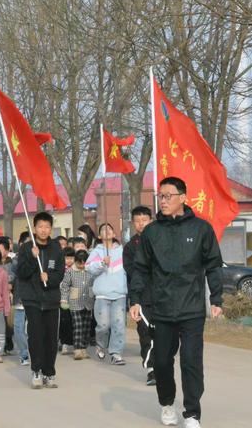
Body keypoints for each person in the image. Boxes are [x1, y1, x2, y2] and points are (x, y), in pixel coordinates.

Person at [130, 177, 223, 428]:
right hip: (161, 309)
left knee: (191, 361)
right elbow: (140, 268)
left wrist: (216, 298)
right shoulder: (152, 232)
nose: (163, 200)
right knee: (161, 361)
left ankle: (192, 413)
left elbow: (214, 265)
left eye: (168, 195)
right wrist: (135, 299)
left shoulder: (201, 229)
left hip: (191, 308)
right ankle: (167, 403)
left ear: (183, 197)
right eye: (160, 196)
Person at [17, 212, 65, 389]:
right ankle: (36, 370)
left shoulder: (56, 248)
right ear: (34, 228)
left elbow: (60, 273)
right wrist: (31, 256)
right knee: (36, 336)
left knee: (51, 338)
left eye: (47, 227)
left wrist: (49, 278)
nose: (43, 230)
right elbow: (21, 273)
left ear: (50, 228)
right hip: (33, 299)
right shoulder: (26, 248)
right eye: (40, 227)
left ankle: (49, 372)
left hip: (51, 299)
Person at [86, 223, 127, 366]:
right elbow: (89, 269)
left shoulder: (122, 251)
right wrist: (102, 263)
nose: (107, 231)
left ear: (114, 234)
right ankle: (100, 344)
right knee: (103, 325)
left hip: (119, 294)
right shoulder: (96, 252)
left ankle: (116, 353)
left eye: (110, 229)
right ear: (99, 236)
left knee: (119, 324)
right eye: (103, 230)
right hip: (102, 295)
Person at [123, 205, 155, 386]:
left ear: (150, 220)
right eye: (138, 221)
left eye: (145, 220)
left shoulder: (161, 240)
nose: (141, 224)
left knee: (163, 334)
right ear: (133, 223)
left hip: (162, 296)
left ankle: (163, 367)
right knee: (145, 333)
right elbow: (131, 271)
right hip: (141, 297)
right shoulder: (130, 247)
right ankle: (151, 370)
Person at [60, 249, 94, 360]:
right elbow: (64, 286)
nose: (82, 265)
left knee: (86, 327)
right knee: (77, 326)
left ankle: (84, 348)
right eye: (80, 262)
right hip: (74, 302)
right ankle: (77, 350)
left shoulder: (91, 270)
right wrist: (64, 300)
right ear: (76, 261)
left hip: (88, 302)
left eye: (84, 262)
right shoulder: (70, 271)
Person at [9, 230, 31, 366]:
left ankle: (34, 351)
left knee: (33, 328)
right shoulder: (15, 261)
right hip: (20, 298)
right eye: (26, 243)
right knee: (18, 327)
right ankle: (24, 353)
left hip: (35, 298)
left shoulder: (40, 260)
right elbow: (11, 276)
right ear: (21, 243)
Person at [58, 247, 76, 355]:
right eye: (66, 258)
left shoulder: (76, 269)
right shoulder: (60, 270)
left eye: (71, 258)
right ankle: (64, 342)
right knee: (64, 321)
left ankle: (71, 343)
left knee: (72, 321)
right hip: (63, 300)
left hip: (74, 299)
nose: (69, 260)